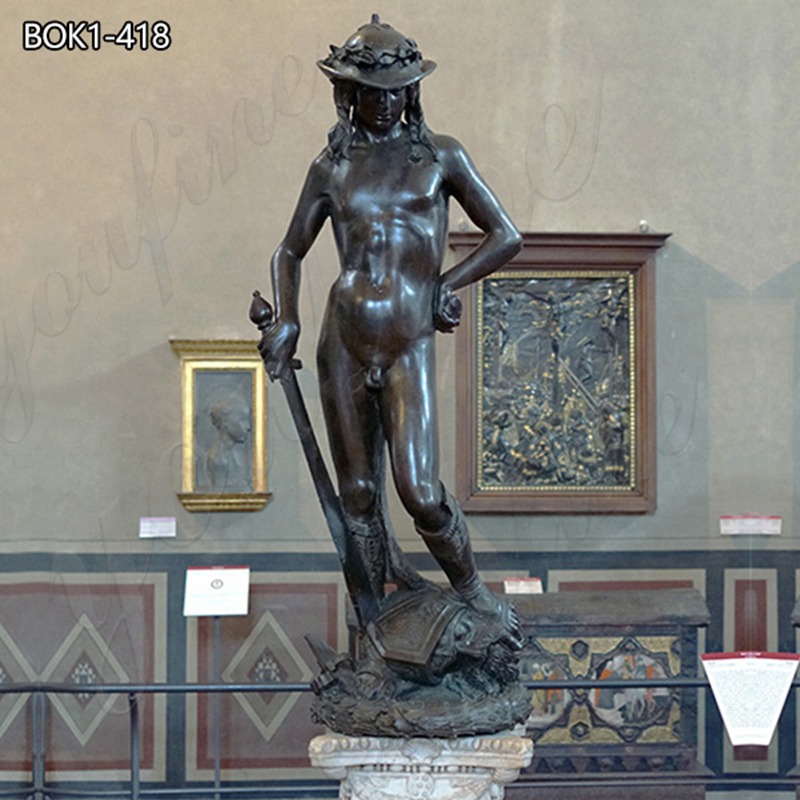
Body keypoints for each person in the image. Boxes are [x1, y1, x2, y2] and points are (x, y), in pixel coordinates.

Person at [259, 16, 522, 644]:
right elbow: (289, 250)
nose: (383, 103)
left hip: (407, 341)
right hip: (344, 339)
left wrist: (446, 285)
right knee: (356, 492)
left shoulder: (440, 156)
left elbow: (505, 235)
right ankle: (375, 624)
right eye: (371, 92)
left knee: (419, 490)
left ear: (412, 91)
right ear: (348, 93)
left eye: (396, 91)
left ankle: (474, 593)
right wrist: (288, 317)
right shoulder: (332, 167)